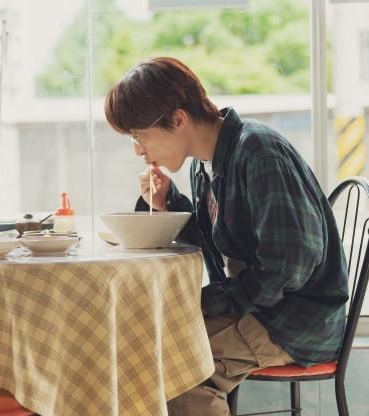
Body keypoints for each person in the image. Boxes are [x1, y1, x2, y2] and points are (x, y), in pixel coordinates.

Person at [104, 57, 348, 415]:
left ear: (178, 119)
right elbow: (216, 246)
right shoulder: (205, 165)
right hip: (262, 309)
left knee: (180, 371)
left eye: (138, 135)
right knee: (144, 348)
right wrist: (169, 201)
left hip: (296, 321)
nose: (138, 150)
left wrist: (207, 302)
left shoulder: (260, 152)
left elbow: (289, 267)